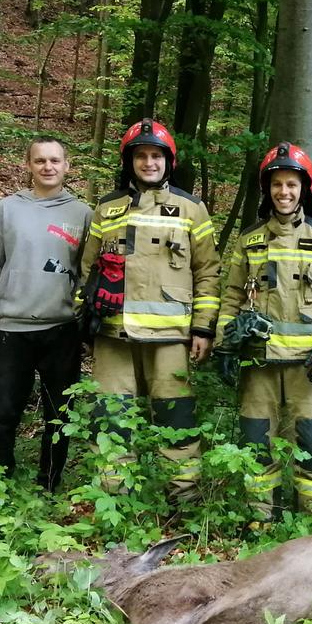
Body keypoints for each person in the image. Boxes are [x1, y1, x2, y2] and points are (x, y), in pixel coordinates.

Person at [78, 119, 220, 501]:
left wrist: (203, 328)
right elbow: (87, 268)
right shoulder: (107, 208)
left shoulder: (191, 209)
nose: (148, 162)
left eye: (156, 155)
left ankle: (184, 499)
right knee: (110, 418)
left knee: (177, 417)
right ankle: (113, 500)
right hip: (113, 332)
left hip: (171, 336)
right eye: (140, 155)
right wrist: (84, 323)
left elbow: (208, 271)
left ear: (168, 161)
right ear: (130, 162)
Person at [214, 143, 312, 521]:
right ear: (267, 189)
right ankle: (261, 522)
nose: (284, 192)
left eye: (292, 184)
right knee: (256, 446)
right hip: (258, 364)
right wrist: (225, 346)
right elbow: (232, 296)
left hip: (310, 368)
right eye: (277, 184)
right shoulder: (249, 239)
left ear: (304, 188)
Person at [0, 136, 92, 492]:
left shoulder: (83, 214)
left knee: (59, 414)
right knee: (3, 413)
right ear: (28, 165)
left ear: (67, 166)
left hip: (63, 329)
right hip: (14, 327)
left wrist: (87, 327)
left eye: (55, 160)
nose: (47, 167)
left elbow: (89, 276)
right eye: (40, 160)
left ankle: (49, 485)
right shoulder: (8, 209)